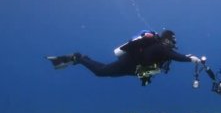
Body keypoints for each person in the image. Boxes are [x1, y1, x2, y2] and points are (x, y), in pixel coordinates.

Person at [46, 30, 201, 86]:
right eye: (173, 41)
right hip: (130, 64)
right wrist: (189, 59)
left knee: (107, 72)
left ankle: (80, 58)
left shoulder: (162, 50)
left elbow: (168, 58)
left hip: (133, 68)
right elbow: (172, 55)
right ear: (168, 40)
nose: (174, 44)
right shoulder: (160, 47)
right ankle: (78, 57)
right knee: (101, 72)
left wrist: (145, 77)